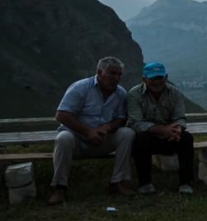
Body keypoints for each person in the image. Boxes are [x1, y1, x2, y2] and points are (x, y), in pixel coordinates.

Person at [48, 56, 136, 205]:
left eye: (119, 74)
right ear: (100, 72)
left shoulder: (120, 93)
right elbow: (61, 115)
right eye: (112, 73)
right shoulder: (80, 88)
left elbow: (121, 118)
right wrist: (87, 131)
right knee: (63, 138)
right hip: (77, 140)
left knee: (127, 134)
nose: (116, 78)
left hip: (102, 140)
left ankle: (117, 182)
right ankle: (60, 188)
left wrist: (107, 127)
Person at [127, 62, 194, 195]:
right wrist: (163, 129)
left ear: (166, 77)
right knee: (140, 139)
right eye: (152, 78)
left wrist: (177, 129)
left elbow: (180, 117)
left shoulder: (175, 93)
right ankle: (145, 183)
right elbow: (135, 123)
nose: (157, 82)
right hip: (148, 137)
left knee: (187, 139)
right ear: (144, 79)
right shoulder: (134, 94)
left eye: (160, 78)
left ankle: (185, 183)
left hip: (170, 137)